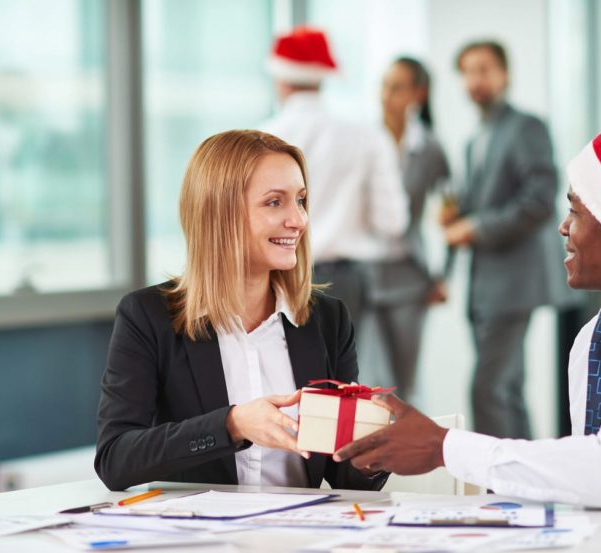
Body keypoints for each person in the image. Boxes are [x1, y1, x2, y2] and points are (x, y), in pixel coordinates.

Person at [334, 123, 601, 520]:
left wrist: (445, 447)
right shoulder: (594, 337)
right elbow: (582, 484)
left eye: (576, 211)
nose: (562, 227)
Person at [95, 130, 387, 492]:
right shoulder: (148, 316)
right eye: (274, 202)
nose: (299, 220)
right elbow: (116, 459)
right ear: (220, 213)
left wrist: (373, 450)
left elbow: (345, 476)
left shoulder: (328, 320)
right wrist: (232, 425)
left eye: (301, 200)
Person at [441, 40, 568, 438]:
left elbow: (540, 199)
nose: (475, 79)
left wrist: (475, 227)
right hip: (485, 283)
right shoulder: (474, 139)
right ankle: (521, 484)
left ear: (505, 74)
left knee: (488, 389)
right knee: (507, 388)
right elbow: (488, 201)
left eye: (484, 69)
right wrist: (458, 216)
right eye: (468, 71)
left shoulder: (526, 127)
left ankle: (495, 485)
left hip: (514, 281)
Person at [260, 27, 409, 332]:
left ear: (282, 79)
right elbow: (392, 221)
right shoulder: (367, 136)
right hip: (347, 281)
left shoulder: (259, 139)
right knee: (340, 378)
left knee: (283, 375)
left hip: (277, 276)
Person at [363, 57, 450, 401]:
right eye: (384, 86)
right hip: (365, 275)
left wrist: (443, 275)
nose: (386, 95)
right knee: (367, 378)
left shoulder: (430, 149)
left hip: (409, 277)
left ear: (419, 94)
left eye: (397, 88)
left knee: (404, 380)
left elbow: (451, 212)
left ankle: (407, 452)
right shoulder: (363, 141)